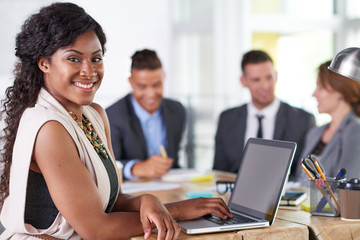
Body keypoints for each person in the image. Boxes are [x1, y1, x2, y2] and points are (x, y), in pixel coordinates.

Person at [0, 3, 232, 239]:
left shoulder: (94, 114)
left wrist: (148, 200)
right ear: (44, 63)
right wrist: (177, 211)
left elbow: (112, 201)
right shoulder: (49, 127)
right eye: (74, 59)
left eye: (96, 58)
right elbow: (97, 229)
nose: (89, 71)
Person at [213, 50, 315, 179]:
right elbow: (219, 172)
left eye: (269, 77)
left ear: (276, 76)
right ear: (243, 81)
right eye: (256, 80)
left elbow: (304, 175)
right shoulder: (227, 118)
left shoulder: (302, 120)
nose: (265, 86)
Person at [106, 49, 186, 179]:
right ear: (131, 82)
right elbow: (108, 165)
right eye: (142, 87)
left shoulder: (177, 111)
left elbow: (175, 161)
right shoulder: (112, 116)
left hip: (170, 185)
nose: (151, 94)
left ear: (163, 77)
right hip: (133, 192)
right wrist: (135, 168)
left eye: (156, 85)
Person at [295, 61, 360, 183]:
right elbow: (300, 178)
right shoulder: (315, 132)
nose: (314, 94)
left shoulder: (355, 131)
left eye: (320, 87)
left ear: (339, 91)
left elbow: (347, 187)